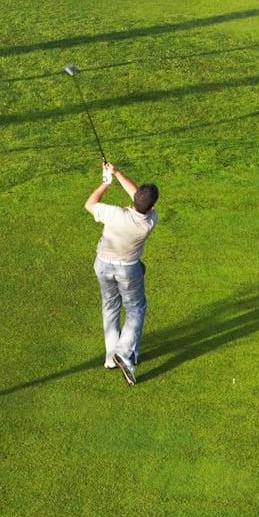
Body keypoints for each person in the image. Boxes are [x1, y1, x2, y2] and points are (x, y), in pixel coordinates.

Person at [84, 161, 158, 385]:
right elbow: (138, 197)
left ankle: (110, 357)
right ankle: (124, 352)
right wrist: (116, 173)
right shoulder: (150, 220)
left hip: (103, 265)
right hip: (128, 269)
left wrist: (106, 182)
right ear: (152, 204)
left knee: (110, 306)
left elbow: (90, 204)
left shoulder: (114, 214)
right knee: (136, 308)